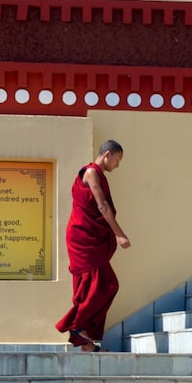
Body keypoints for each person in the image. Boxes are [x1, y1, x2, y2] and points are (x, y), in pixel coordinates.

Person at [55, 140, 131, 352]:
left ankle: (86, 343)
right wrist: (120, 234)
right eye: (117, 160)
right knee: (107, 285)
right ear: (107, 155)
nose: (117, 165)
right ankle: (77, 325)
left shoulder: (98, 175)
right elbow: (102, 206)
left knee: (89, 287)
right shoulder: (91, 172)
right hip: (83, 237)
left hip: (89, 236)